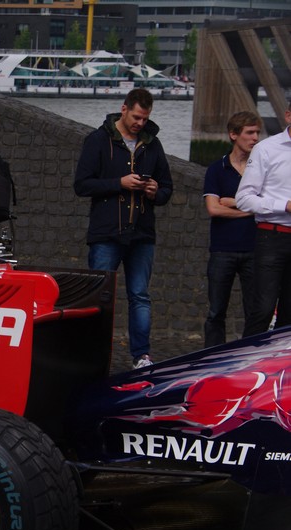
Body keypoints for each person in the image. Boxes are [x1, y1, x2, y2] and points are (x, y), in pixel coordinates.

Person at [74, 88, 173, 369]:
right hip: (106, 232)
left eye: (145, 119)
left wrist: (154, 191)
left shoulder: (153, 144)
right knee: (98, 296)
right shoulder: (98, 140)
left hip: (142, 233)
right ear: (124, 109)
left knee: (140, 295)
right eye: (136, 117)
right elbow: (82, 185)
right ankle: (92, 354)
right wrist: (120, 183)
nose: (140, 123)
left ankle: (141, 355)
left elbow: (167, 189)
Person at [202, 111, 261, 347]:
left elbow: (268, 205)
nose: (255, 138)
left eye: (257, 133)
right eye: (250, 132)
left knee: (255, 312)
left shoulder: (261, 170)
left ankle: (250, 356)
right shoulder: (217, 169)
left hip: (255, 249)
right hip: (222, 250)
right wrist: (251, 209)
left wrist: (233, 202)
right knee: (216, 311)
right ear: (234, 135)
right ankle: (211, 357)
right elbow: (214, 209)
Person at [237, 101, 291, 337]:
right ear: (288, 116)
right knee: (263, 308)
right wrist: (284, 205)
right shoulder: (266, 149)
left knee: (289, 315)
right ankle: (246, 356)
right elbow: (243, 199)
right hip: (272, 236)